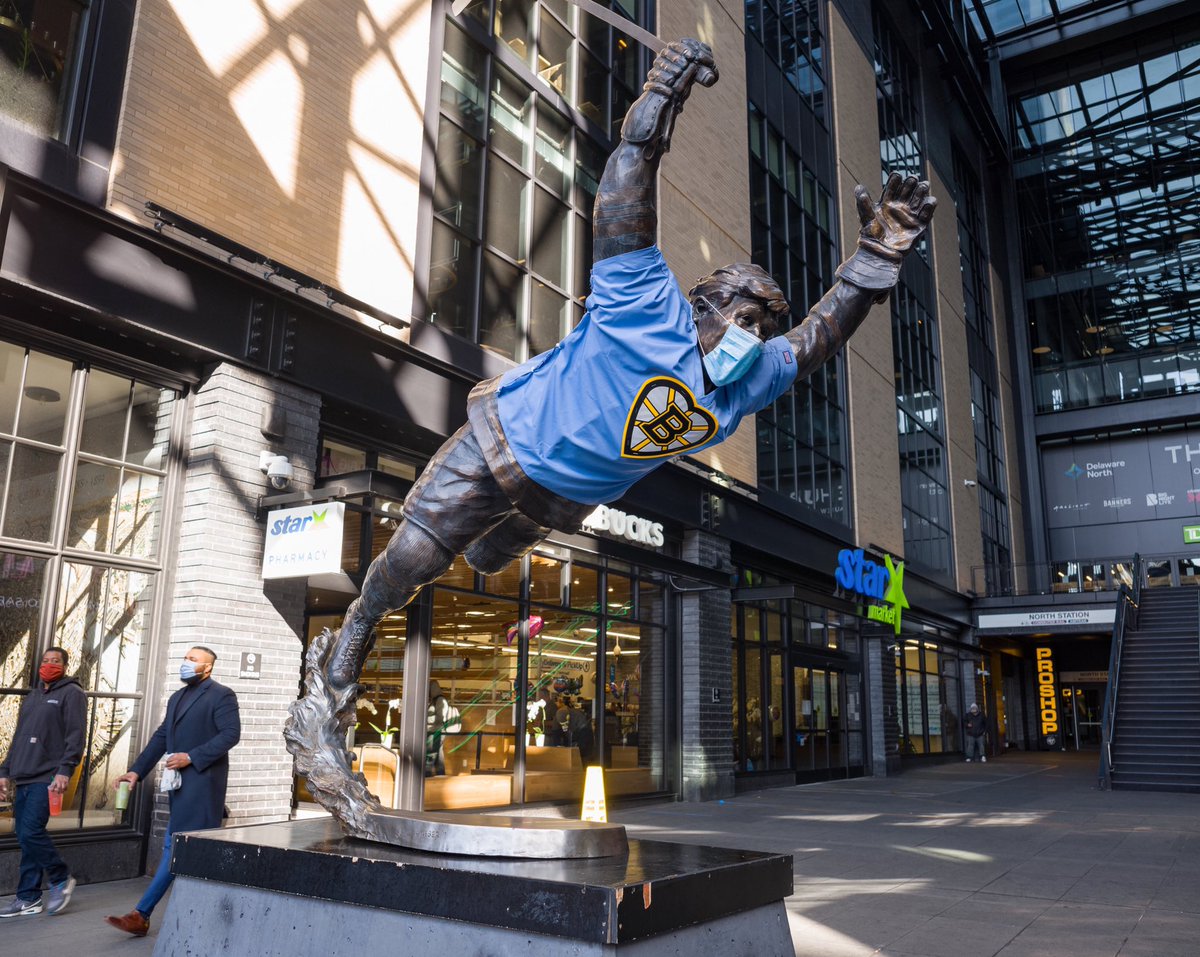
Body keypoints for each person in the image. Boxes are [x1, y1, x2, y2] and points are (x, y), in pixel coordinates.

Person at [322, 38, 936, 694]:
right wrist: (663, 90)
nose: (754, 336)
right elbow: (626, 181)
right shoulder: (644, 303)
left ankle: (491, 540)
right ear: (702, 304)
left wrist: (878, 259)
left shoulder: (750, 379)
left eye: (763, 327)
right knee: (419, 555)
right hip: (508, 435)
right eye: (743, 315)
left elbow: (819, 337)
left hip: (567, 493)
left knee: (488, 555)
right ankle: (358, 624)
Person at [105, 646, 240, 937]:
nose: (186, 663)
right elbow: (162, 737)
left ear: (208, 668)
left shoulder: (222, 694)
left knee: (175, 847)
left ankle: (141, 914)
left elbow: (231, 734)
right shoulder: (178, 697)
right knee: (183, 849)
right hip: (180, 788)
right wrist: (136, 771)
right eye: (185, 658)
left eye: (193, 660)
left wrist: (192, 756)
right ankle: (160, 915)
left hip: (202, 787)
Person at [0, 647, 86, 918]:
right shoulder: (34, 696)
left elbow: (76, 735)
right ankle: (28, 897)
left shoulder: (72, 693)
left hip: (48, 776)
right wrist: (4, 771)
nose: (49, 664)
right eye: (46, 660)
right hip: (24, 774)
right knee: (26, 838)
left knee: (30, 832)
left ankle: (61, 878)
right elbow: (19, 738)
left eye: (55, 661)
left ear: (65, 665)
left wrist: (65, 770)